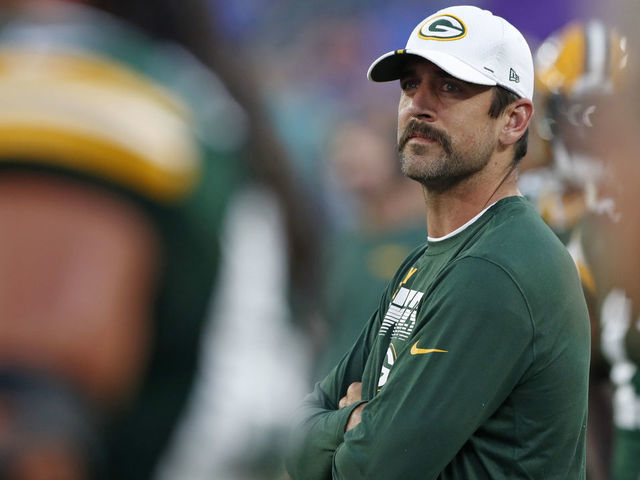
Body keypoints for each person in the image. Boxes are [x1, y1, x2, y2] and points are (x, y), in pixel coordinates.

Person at [286, 5, 590, 479]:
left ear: (513, 120)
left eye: (451, 86)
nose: (419, 104)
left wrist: (347, 428)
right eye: (410, 84)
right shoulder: (428, 259)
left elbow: (371, 471)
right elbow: (295, 435)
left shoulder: (497, 268)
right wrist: (352, 421)